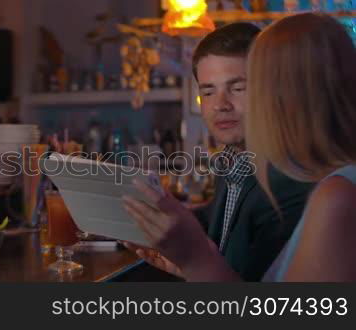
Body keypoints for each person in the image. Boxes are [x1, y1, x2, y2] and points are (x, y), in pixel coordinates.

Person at [124, 13, 356, 282]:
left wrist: (195, 259)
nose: (222, 104)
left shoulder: (333, 193)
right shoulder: (240, 162)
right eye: (208, 92)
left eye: (245, 87)